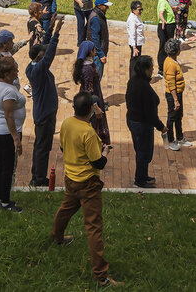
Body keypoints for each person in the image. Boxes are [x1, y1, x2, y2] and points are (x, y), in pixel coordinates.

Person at [53, 91, 116, 287]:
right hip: (88, 184)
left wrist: (95, 118)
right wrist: (105, 151)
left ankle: (57, 236)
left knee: (66, 209)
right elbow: (98, 163)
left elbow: (64, 148)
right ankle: (101, 277)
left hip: (71, 179)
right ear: (90, 109)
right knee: (94, 227)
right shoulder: (88, 133)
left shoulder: (66, 124)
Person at [28, 10, 66, 187]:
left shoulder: (33, 65)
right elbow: (49, 54)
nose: (45, 55)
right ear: (38, 57)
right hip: (44, 116)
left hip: (43, 113)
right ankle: (39, 178)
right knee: (43, 148)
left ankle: (36, 174)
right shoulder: (38, 71)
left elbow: (44, 48)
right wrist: (57, 33)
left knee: (40, 146)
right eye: (42, 55)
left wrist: (49, 29)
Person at [0, 52, 25, 211]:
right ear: (7, 73)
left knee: (1, 166)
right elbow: (9, 116)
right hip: (7, 133)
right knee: (7, 168)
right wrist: (16, 138)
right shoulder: (9, 92)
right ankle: (5, 201)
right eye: (15, 71)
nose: (17, 72)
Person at [124, 54, 166, 188]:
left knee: (141, 150)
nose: (152, 70)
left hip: (132, 121)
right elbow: (150, 114)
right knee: (144, 152)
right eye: (151, 68)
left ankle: (143, 175)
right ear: (145, 69)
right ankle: (140, 179)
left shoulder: (133, 81)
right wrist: (161, 127)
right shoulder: (143, 87)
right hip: (142, 124)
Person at [160, 38, 186, 151]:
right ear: (176, 51)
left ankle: (180, 137)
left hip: (178, 94)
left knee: (178, 116)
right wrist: (176, 99)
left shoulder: (173, 60)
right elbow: (171, 84)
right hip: (173, 95)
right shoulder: (170, 64)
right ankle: (170, 140)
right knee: (172, 117)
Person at [125, 0, 147, 70]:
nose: (141, 11)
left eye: (142, 9)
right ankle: (133, 79)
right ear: (133, 10)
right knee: (134, 63)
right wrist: (134, 47)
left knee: (137, 62)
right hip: (135, 44)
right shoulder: (132, 19)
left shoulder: (135, 17)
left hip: (138, 43)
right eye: (139, 10)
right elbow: (132, 34)